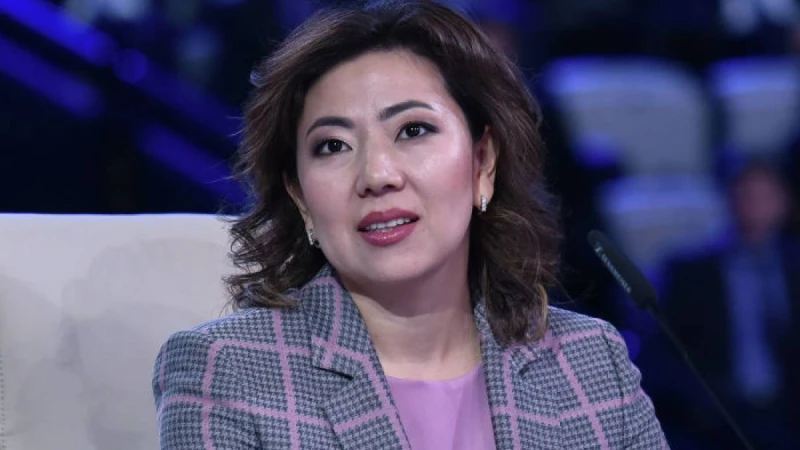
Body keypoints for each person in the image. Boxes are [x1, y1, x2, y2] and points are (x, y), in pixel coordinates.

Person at [152, 1, 667, 448]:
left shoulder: (589, 362)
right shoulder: (228, 372)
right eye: (333, 146)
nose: (377, 175)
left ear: (482, 162)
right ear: (300, 196)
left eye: (413, 130)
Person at [654, 160, 800, 449]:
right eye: (747, 196)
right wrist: (700, 404)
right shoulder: (690, 271)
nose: (756, 206)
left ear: (785, 202)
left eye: (766, 196)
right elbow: (662, 350)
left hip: (789, 415)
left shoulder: (794, 267)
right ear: (729, 200)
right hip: (714, 415)